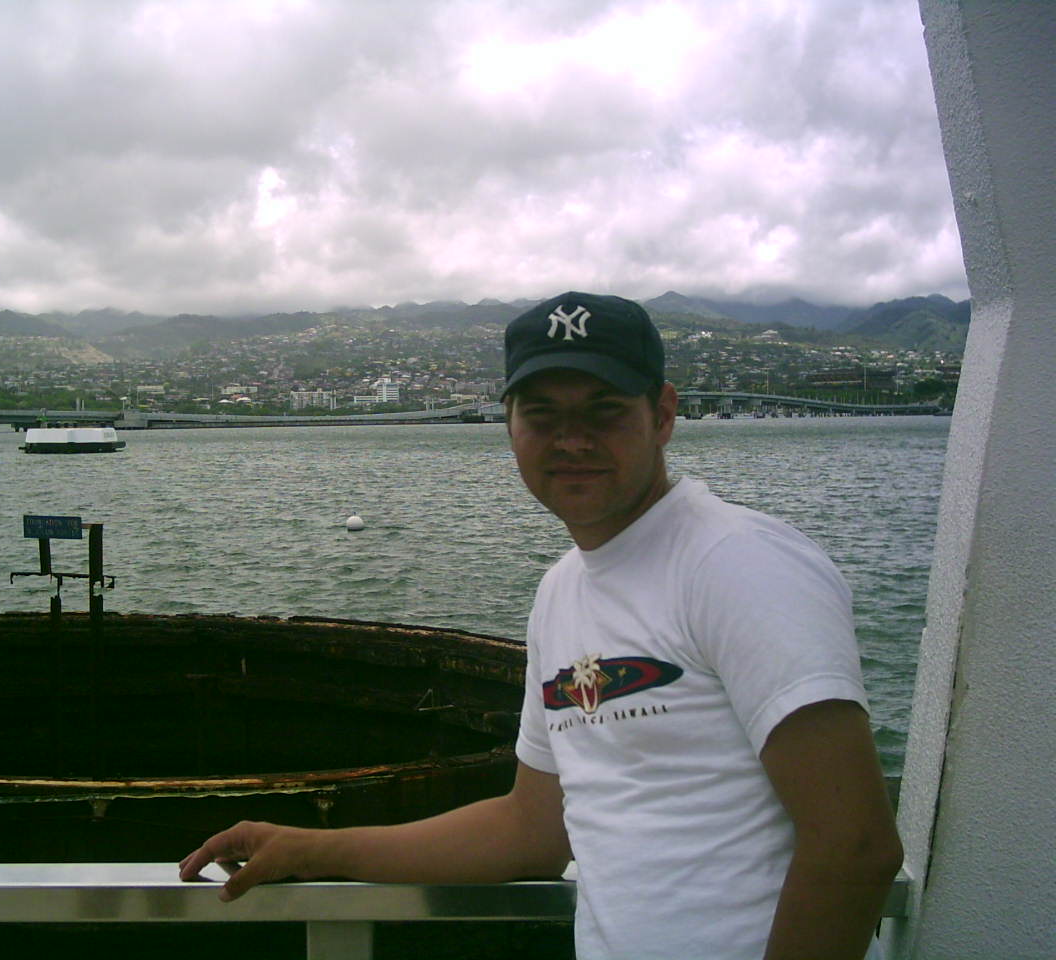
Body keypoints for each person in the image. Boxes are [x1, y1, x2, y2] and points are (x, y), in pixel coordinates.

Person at [180, 291, 904, 960]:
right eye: (543, 416)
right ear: (510, 427)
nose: (572, 441)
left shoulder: (734, 562)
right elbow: (531, 829)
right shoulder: (562, 592)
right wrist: (311, 850)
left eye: (604, 411)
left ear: (663, 415)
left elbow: (855, 843)